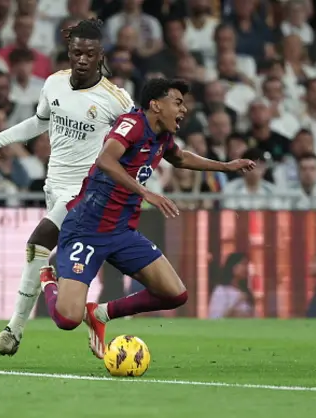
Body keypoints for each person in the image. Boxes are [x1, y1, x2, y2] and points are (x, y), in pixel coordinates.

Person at [39, 78, 255, 358]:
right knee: (67, 319)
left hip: (121, 232)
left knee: (175, 294)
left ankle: (101, 313)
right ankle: (47, 279)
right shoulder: (133, 124)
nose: (184, 110)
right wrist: (146, 192)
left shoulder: (162, 136)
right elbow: (106, 159)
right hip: (86, 228)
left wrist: (224, 167)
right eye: (177, 102)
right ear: (155, 105)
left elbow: (179, 158)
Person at [0, 18, 135, 356]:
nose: (82, 59)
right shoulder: (54, 84)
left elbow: (139, 135)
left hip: (86, 190)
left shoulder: (116, 99)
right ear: (69, 53)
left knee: (38, 241)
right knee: (46, 257)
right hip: (54, 186)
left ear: (100, 54)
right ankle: (82, 309)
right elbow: (40, 121)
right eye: (76, 53)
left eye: (89, 53)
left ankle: (13, 331)